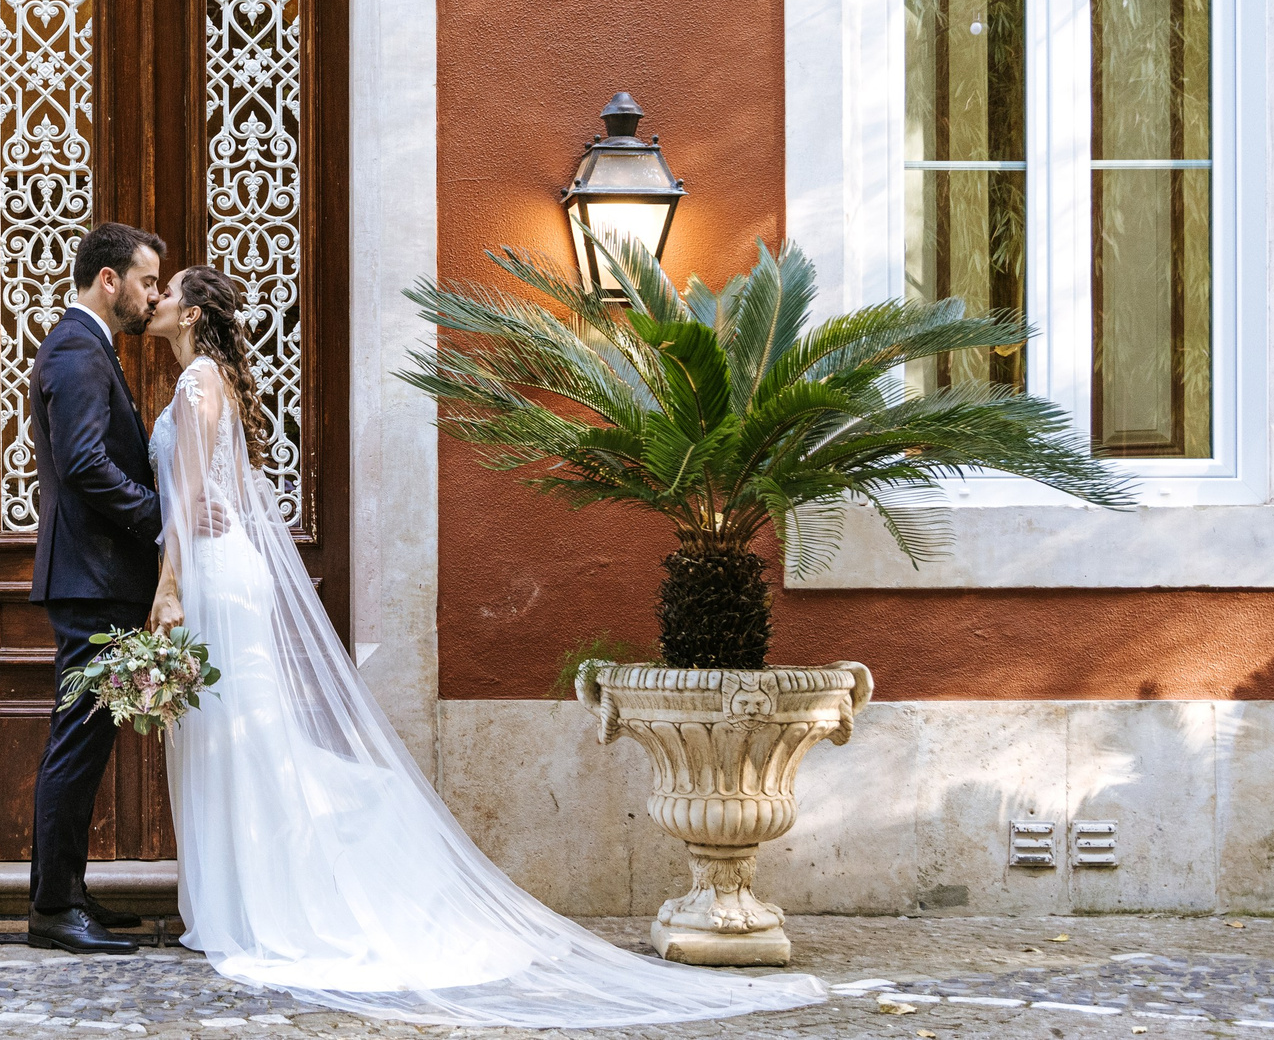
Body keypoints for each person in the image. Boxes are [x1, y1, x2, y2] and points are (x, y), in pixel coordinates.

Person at [144, 264, 830, 1027]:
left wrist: (167, 588)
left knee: (243, 735)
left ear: (194, 312)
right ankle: (245, 895)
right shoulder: (214, 383)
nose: (157, 298)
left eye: (169, 289)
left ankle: (256, 901)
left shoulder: (200, 383)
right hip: (229, 566)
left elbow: (190, 497)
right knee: (242, 732)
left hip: (211, 573)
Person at [23, 221, 169, 956]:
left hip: (96, 577)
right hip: (92, 579)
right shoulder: (80, 350)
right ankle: (53, 908)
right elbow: (83, 464)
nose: (152, 297)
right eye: (145, 282)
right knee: (77, 744)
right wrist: (161, 517)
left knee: (83, 740)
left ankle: (70, 892)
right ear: (108, 279)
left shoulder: (87, 348)